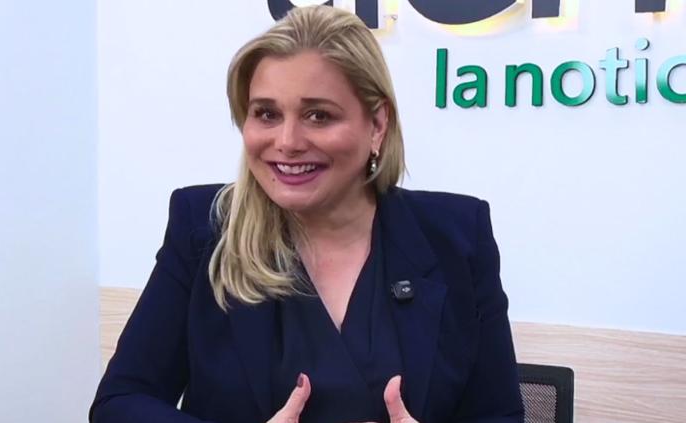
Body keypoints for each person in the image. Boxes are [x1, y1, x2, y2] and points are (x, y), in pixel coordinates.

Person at [89, 5, 523, 423]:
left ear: (377, 125)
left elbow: (498, 414)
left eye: (318, 115)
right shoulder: (203, 228)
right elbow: (120, 403)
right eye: (266, 114)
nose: (288, 141)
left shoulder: (457, 236)